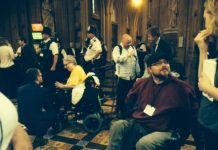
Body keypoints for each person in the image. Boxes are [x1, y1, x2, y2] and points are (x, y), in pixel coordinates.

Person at [107, 53, 197, 150]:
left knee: (143, 144)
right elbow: (128, 101)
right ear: (149, 70)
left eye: (166, 62)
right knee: (117, 126)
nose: (163, 65)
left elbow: (193, 115)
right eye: (158, 63)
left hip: (165, 129)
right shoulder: (142, 83)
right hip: (142, 122)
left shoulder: (181, 87)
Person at [195, 0, 218, 149]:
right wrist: (203, 50)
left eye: (208, 12)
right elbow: (202, 80)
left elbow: (205, 86)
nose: (203, 15)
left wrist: (208, 88)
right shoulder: (214, 45)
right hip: (209, 120)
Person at [17, 68, 60, 147]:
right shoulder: (42, 91)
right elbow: (48, 108)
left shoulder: (20, 89)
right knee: (53, 113)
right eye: (40, 75)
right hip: (34, 122)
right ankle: (39, 137)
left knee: (35, 113)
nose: (42, 76)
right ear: (37, 77)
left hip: (21, 120)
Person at [112, 34, 140, 116]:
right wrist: (127, 55)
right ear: (122, 40)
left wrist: (138, 72)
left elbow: (136, 60)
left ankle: (130, 111)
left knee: (131, 95)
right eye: (128, 42)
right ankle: (120, 112)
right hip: (122, 77)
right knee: (121, 95)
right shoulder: (117, 48)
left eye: (130, 42)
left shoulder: (133, 48)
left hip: (132, 76)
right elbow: (117, 60)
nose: (129, 44)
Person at [38, 26, 59, 92]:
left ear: (47, 34)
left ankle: (52, 98)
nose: (42, 35)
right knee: (45, 82)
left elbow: (56, 55)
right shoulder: (42, 43)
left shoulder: (52, 43)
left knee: (50, 83)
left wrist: (53, 66)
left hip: (49, 66)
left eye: (43, 34)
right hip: (43, 66)